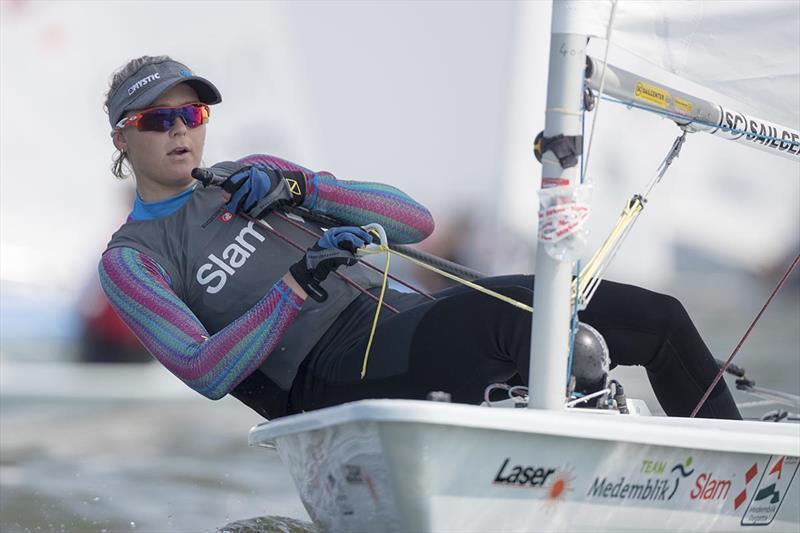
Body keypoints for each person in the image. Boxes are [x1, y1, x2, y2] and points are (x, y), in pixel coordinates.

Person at [99, 55, 741, 421]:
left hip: (413, 324)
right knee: (524, 326)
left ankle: (727, 478)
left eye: (194, 114)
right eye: (160, 119)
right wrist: (294, 286)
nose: (182, 129)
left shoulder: (253, 177)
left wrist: (306, 191)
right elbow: (205, 371)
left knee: (652, 317)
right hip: (327, 380)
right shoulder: (132, 260)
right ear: (123, 138)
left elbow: (414, 221)